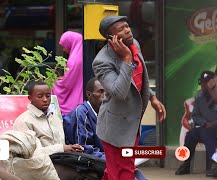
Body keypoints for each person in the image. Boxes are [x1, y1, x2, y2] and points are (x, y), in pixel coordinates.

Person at [92, 15, 166, 180]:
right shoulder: (101, 62)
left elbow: (139, 77)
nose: (127, 30)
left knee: (115, 170)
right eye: (121, 30)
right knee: (124, 170)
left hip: (132, 123)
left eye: (127, 26)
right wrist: (126, 59)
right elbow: (119, 92)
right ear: (112, 38)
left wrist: (152, 98)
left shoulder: (134, 44)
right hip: (115, 127)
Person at [13, 80, 84, 156]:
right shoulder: (24, 121)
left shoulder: (55, 118)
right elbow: (30, 153)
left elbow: (63, 144)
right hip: (39, 166)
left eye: (48, 96)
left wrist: (72, 148)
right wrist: (62, 148)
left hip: (61, 162)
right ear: (30, 98)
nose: (45, 100)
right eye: (40, 96)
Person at [175, 71, 217, 175]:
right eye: (202, 82)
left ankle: (216, 165)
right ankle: (185, 165)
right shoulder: (199, 96)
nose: (204, 85)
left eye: (207, 82)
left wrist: (214, 123)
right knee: (191, 134)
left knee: (207, 133)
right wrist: (205, 123)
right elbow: (195, 115)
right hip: (205, 127)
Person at [63, 77, 105, 159]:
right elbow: (84, 149)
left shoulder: (105, 111)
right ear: (89, 95)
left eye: (107, 91)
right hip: (84, 163)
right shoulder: (81, 113)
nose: (105, 96)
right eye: (101, 91)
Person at [51, 31, 83, 115]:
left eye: (64, 46)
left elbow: (68, 83)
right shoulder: (81, 55)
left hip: (74, 103)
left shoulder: (74, 60)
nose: (64, 49)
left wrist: (54, 83)